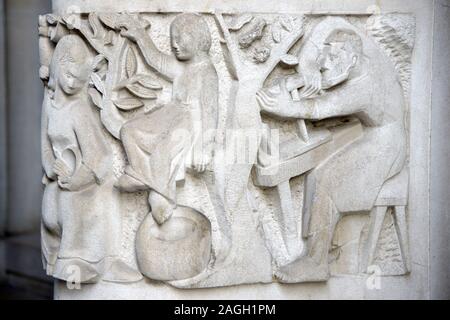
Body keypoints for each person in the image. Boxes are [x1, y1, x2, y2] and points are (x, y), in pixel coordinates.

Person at [257, 17, 407, 282]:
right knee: (317, 172)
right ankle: (325, 247)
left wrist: (281, 108)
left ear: (350, 61)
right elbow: (329, 22)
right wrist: (307, 67)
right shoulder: (363, 51)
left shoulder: (365, 88)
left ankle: (316, 262)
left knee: (327, 178)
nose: (325, 64)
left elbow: (319, 108)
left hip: (386, 143)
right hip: (373, 130)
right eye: (324, 58)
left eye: (330, 62)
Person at [41, 34, 141, 283]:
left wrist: (77, 180)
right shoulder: (50, 104)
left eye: (80, 78)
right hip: (62, 179)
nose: (74, 83)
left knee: (79, 204)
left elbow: (99, 157)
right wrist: (52, 169)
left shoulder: (80, 110)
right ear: (58, 66)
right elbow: (44, 145)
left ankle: (101, 264)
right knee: (58, 206)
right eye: (69, 75)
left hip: (86, 181)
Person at [115, 13, 219, 225]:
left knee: (162, 152)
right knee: (128, 130)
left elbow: (210, 113)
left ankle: (163, 197)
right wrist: (140, 35)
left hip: (189, 123)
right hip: (170, 114)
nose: (174, 44)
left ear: (197, 38)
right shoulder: (183, 67)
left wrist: (205, 149)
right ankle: (140, 174)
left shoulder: (207, 72)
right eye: (173, 39)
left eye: (180, 38)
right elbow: (157, 61)